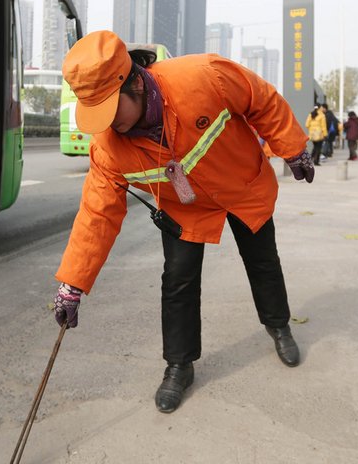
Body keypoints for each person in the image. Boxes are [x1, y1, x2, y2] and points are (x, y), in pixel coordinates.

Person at [51, 30, 315, 414]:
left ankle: (279, 326)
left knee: (263, 261)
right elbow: (97, 214)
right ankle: (179, 365)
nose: (107, 124)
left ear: (135, 83)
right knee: (178, 280)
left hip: (240, 183)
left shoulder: (203, 76)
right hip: (184, 206)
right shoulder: (108, 146)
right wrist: (72, 285)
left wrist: (292, 147)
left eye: (110, 109)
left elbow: (262, 100)